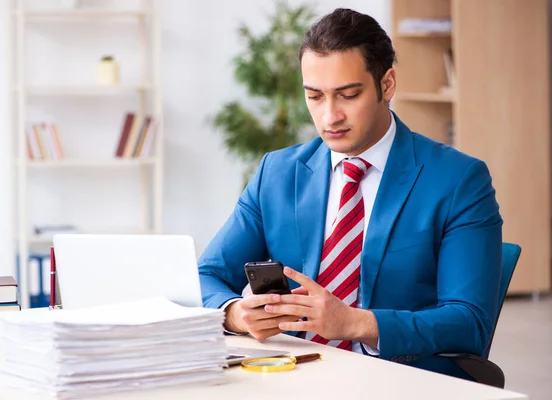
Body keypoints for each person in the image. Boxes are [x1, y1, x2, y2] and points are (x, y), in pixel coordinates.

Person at [198, 8, 502, 379]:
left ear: (386, 84)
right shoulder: (276, 173)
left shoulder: (458, 180)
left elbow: (469, 321)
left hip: (398, 378)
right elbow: (206, 275)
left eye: (347, 95)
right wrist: (235, 314)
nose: (329, 117)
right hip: (293, 373)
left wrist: (356, 323)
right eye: (315, 97)